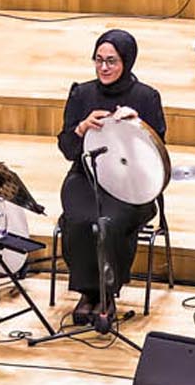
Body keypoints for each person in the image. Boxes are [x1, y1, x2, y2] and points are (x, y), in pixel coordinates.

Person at [57, 29, 166, 333]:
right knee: (78, 220)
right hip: (87, 177)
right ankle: (87, 292)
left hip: (132, 184)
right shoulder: (82, 94)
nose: (104, 68)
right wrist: (79, 129)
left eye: (112, 61)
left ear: (126, 62)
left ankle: (107, 295)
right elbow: (67, 150)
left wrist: (138, 129)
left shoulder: (146, 97)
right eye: (99, 60)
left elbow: (158, 155)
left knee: (109, 223)